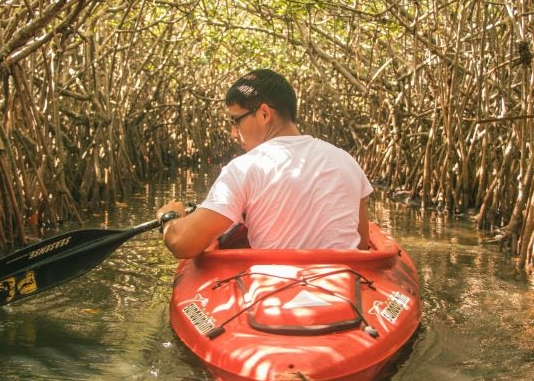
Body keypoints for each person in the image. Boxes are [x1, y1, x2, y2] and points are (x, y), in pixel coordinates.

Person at [156, 68, 372, 258]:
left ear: (264, 113)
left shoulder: (244, 168)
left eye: (235, 120)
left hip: (276, 293)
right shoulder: (346, 161)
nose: (233, 133)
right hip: (344, 289)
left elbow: (182, 244)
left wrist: (170, 216)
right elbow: (362, 245)